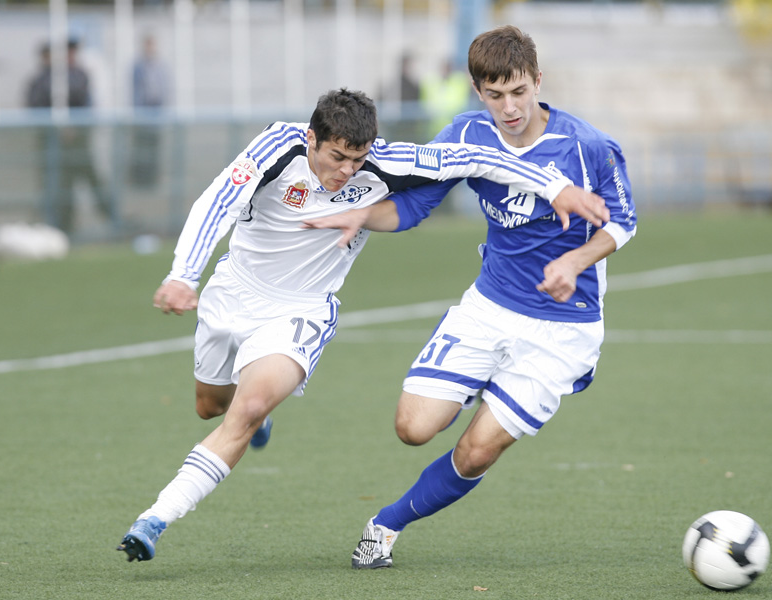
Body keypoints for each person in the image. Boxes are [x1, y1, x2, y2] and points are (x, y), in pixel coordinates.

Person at [116, 87, 610, 563]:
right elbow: (215, 202)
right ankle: (258, 414)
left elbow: (475, 159)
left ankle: (155, 519)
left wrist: (556, 187)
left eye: (357, 159)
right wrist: (183, 275)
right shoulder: (276, 146)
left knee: (245, 410)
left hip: (301, 310)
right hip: (232, 295)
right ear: (312, 138)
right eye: (337, 157)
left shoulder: (387, 160)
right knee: (210, 406)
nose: (347, 171)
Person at [304, 26, 637, 569]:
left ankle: (386, 525)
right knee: (413, 427)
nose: (510, 108)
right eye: (495, 95)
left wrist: (575, 261)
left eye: (519, 91)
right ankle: (475, 381)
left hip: (563, 327)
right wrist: (361, 215)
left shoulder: (588, 146)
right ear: (477, 90)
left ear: (538, 81)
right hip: (489, 308)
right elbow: (416, 206)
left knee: (477, 450)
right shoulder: (465, 134)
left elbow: (623, 222)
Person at [26, 38, 114, 234]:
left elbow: (84, 103)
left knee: (93, 180)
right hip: (54, 145)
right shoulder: (43, 80)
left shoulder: (78, 75)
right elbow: (36, 107)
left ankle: (112, 217)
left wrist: (74, 126)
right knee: (61, 187)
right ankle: (64, 226)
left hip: (79, 143)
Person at [130, 34, 170, 187]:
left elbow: (163, 89)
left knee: (154, 146)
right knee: (142, 147)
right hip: (143, 112)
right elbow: (135, 92)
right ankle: (141, 179)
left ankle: (152, 179)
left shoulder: (160, 66)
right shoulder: (138, 67)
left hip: (156, 112)